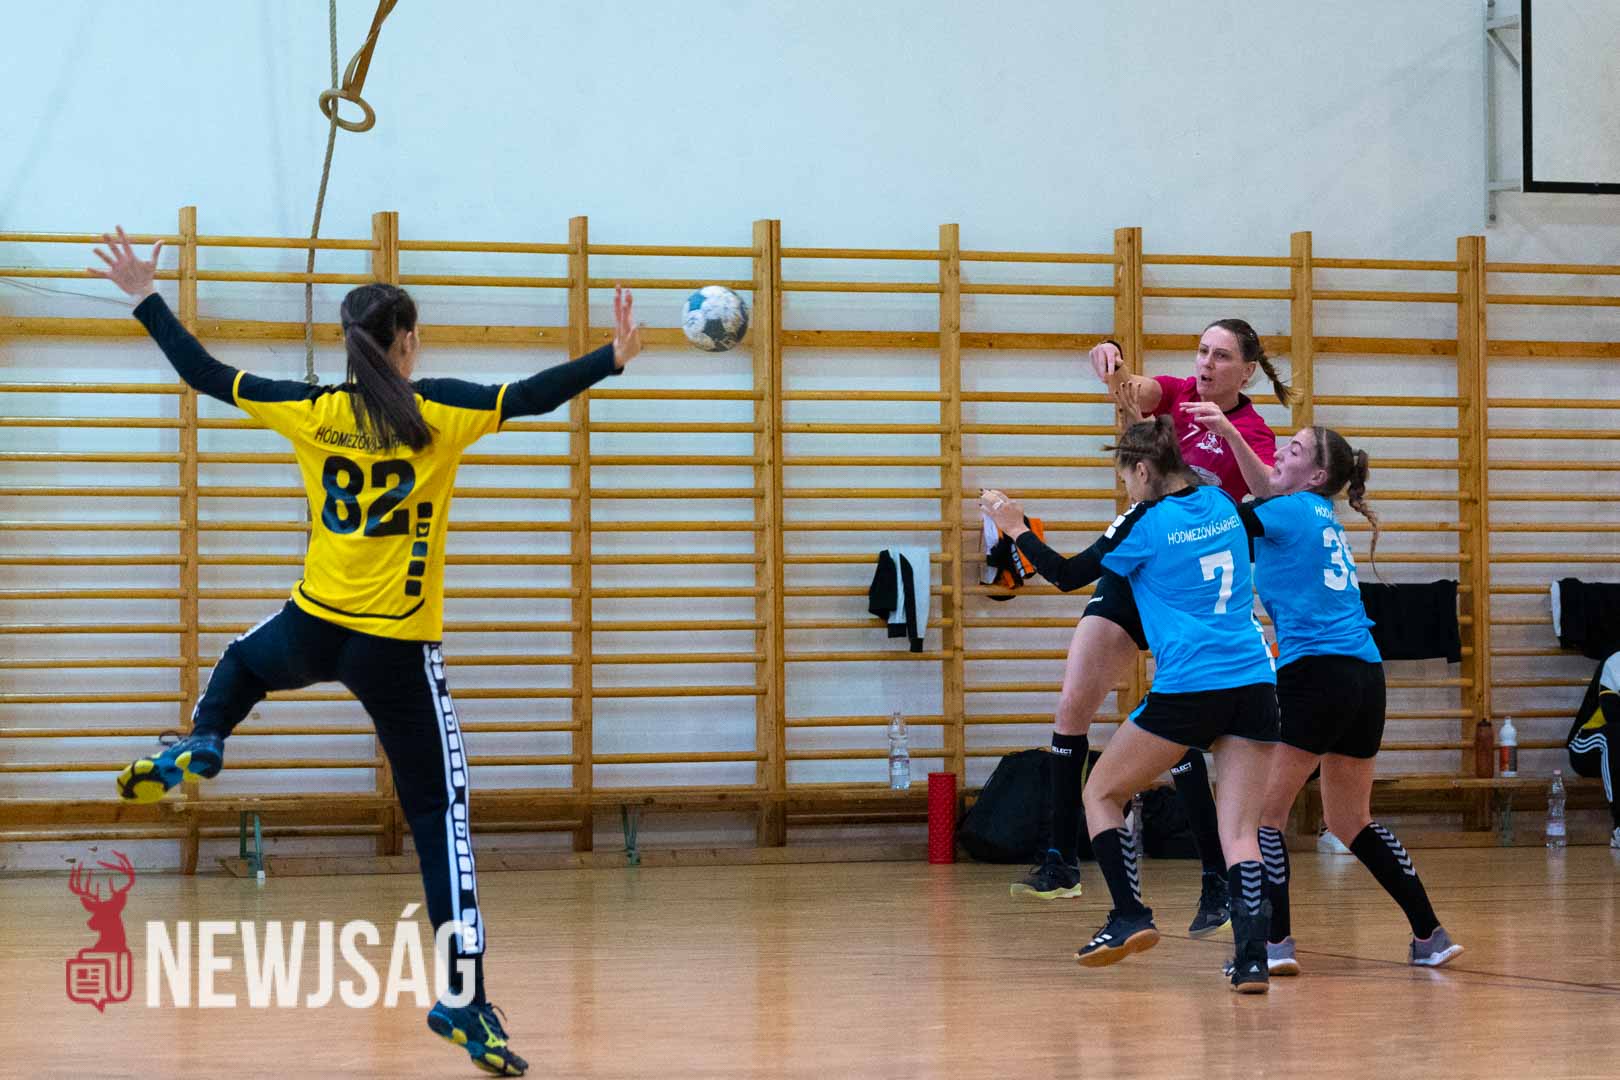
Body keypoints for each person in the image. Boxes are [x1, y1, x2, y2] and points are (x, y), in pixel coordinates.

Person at [92, 226, 642, 1077]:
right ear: (408, 341)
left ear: (350, 342)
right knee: (440, 823)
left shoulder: (315, 411)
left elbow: (204, 373)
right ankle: (463, 998)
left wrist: (145, 296)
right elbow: (532, 395)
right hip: (396, 651)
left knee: (242, 662)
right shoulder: (440, 413)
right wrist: (611, 357)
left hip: (314, 625)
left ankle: (206, 738)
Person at [1012, 320, 1288, 943]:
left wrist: (1227, 436)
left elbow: (1268, 492)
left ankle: (1215, 878)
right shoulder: (1178, 391)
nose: (1206, 364)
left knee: (1182, 725)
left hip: (1190, 590)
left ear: (1247, 371)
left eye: (1221, 356)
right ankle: (1061, 858)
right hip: (1140, 563)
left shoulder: (1251, 430)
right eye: (1202, 351)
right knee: (1073, 703)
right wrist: (1112, 364)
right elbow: (1137, 390)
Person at [1240, 427, 1462, 971]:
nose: (1279, 452)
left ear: (1316, 475)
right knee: (1350, 819)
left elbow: (1225, 521)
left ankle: (1274, 944)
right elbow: (1259, 495)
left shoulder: (1290, 510)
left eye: (1293, 450)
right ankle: (1430, 935)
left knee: (1264, 816)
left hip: (1316, 673)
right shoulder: (1320, 515)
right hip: (1365, 675)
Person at [1568, 649, 1620, 849]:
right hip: (1587, 745)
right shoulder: (1616, 662)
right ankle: (1619, 825)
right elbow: (1613, 714)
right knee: (1615, 733)